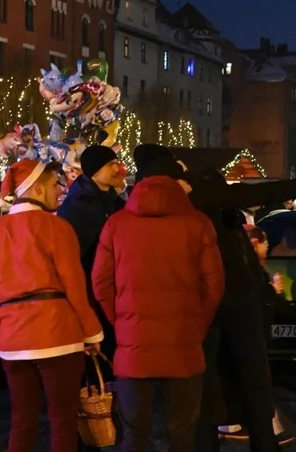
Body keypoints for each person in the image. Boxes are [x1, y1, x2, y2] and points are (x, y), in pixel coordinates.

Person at [146, 142, 296, 452]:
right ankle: (263, 439)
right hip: (231, 297)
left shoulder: (148, 211)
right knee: (252, 375)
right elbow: (250, 194)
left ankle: (212, 441)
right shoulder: (199, 195)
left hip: (195, 303)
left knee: (206, 381)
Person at [0, 159, 103, 452]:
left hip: (13, 338)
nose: (59, 191)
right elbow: (74, 286)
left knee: (22, 420)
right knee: (62, 420)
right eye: (54, 185)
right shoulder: (57, 227)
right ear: (36, 188)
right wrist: (92, 332)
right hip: (58, 334)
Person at [92, 149, 225, 452]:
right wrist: (197, 321)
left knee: (134, 433)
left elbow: (101, 282)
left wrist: (120, 321)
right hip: (184, 343)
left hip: (134, 345)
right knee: (181, 431)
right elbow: (214, 284)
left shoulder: (117, 223)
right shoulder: (198, 224)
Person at [56, 144, 127, 452]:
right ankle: (91, 434)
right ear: (96, 169)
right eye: (113, 164)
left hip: (106, 295)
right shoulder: (81, 206)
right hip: (90, 297)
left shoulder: (108, 200)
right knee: (92, 370)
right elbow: (72, 260)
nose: (119, 168)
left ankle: (107, 426)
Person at [218, 226, 293, 446]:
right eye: (263, 241)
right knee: (258, 384)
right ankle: (271, 429)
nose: (266, 245)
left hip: (250, 335)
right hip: (250, 336)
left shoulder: (254, 268)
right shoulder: (249, 270)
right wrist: (272, 291)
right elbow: (254, 301)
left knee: (247, 383)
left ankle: (235, 425)